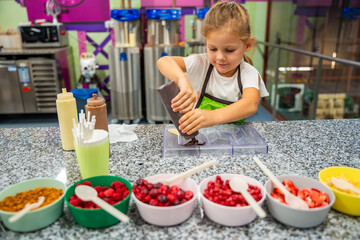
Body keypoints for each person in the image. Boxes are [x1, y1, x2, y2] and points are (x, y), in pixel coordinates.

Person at [156, 1, 269, 137]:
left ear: (248, 45)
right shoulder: (202, 63)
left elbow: (250, 104)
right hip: (201, 138)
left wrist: (212, 116)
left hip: (233, 140)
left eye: (229, 50)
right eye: (213, 49)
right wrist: (182, 79)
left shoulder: (249, 73)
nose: (220, 57)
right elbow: (163, 61)